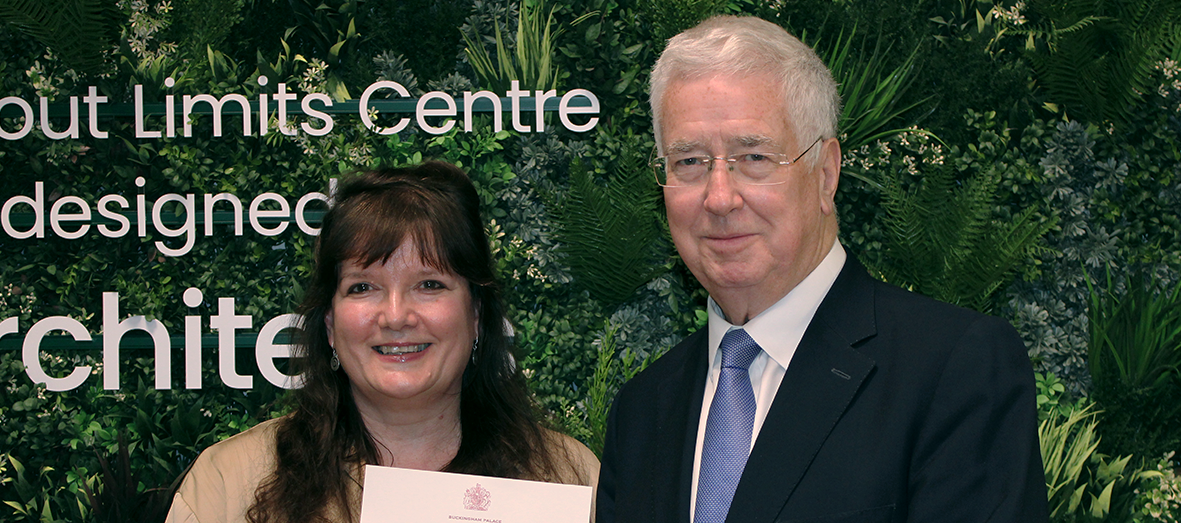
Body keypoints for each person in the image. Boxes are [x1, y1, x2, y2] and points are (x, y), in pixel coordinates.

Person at [596, 15, 1047, 523]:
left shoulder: (954, 370)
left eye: (754, 156)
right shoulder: (642, 412)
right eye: (690, 162)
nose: (719, 198)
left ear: (826, 174)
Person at [166, 161, 599, 523]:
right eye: (362, 287)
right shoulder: (228, 485)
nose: (395, 316)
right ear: (330, 324)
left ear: (476, 315)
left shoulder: (568, 478)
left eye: (429, 284)